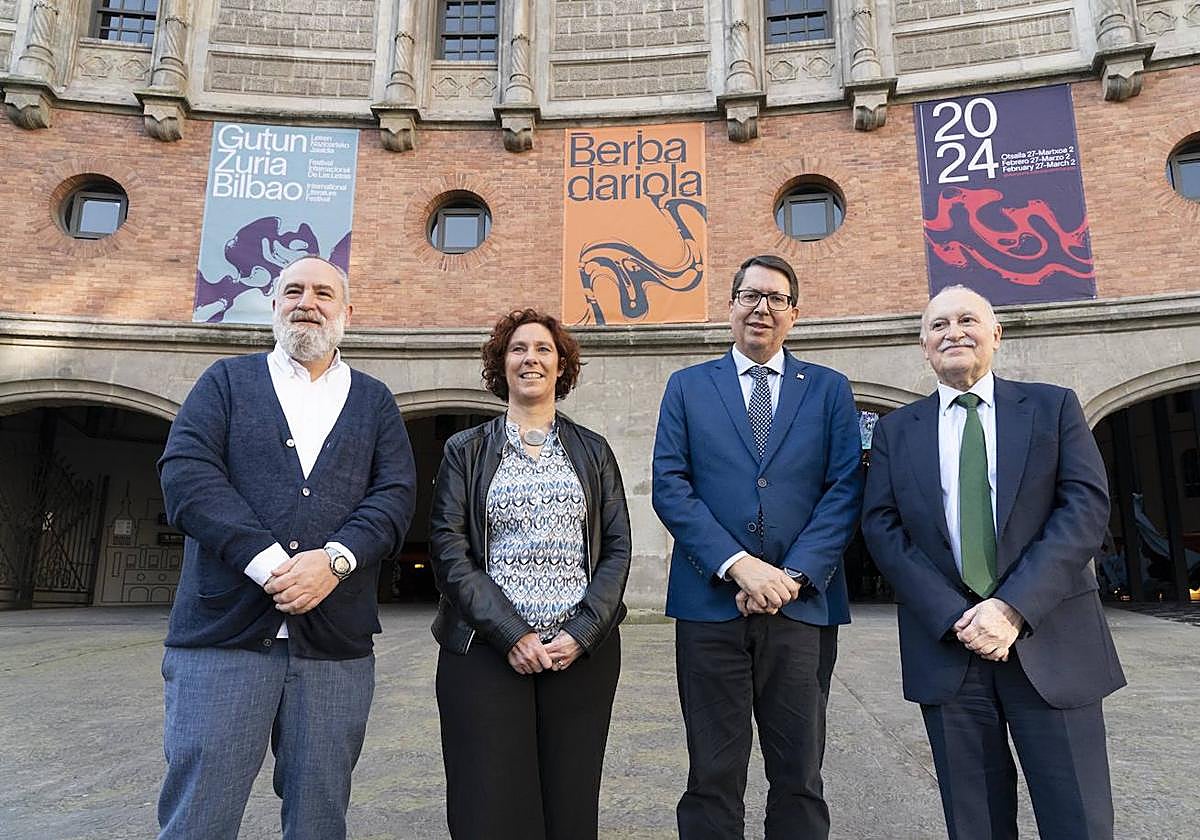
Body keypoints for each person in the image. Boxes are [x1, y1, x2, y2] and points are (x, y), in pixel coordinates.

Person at [156, 255, 416, 840]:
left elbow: (395, 497)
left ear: (347, 313)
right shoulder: (225, 381)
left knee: (320, 818)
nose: (308, 302)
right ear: (273, 306)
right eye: (292, 290)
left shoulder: (374, 401)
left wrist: (335, 560)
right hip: (221, 643)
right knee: (200, 815)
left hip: (334, 650)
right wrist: (272, 565)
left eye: (324, 293)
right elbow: (187, 476)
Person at [861, 285, 1125, 840]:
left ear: (996, 335)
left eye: (967, 319)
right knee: (975, 823)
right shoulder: (894, 431)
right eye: (938, 325)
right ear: (923, 345)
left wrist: (1010, 609)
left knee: (1078, 819)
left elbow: (1084, 510)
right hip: (950, 652)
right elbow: (882, 528)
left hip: (1051, 642)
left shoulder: (1053, 407)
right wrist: (955, 614)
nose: (953, 332)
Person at [652, 254, 864, 839]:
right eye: (750, 296)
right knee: (712, 771)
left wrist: (789, 578)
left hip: (802, 608)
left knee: (799, 771)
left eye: (776, 298)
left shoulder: (828, 390)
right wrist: (741, 567)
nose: (762, 308)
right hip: (709, 605)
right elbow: (670, 487)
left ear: (794, 314)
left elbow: (844, 491)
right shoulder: (688, 388)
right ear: (730, 306)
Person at [429, 308, 631, 840]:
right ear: (502, 363)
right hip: (485, 651)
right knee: (489, 803)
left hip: (579, 656)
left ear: (562, 366)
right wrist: (511, 633)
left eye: (544, 349)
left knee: (570, 803)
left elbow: (616, 549)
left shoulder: (593, 449)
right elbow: (449, 551)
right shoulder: (465, 450)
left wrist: (582, 632)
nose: (531, 359)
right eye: (518, 349)